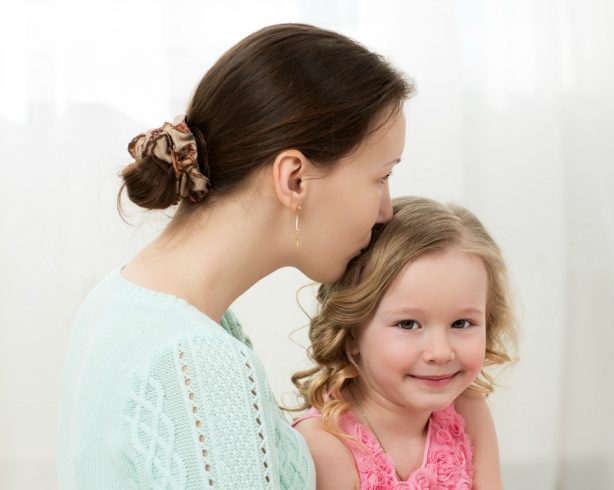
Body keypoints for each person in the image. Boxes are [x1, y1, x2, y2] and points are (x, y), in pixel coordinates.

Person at [57, 23, 413, 489]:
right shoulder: (199, 363)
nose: (386, 210)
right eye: (381, 177)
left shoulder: (121, 298)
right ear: (294, 179)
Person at [291, 196, 517, 490]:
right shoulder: (326, 444)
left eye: (461, 323)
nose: (440, 352)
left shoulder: (467, 410)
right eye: (408, 324)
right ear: (352, 332)